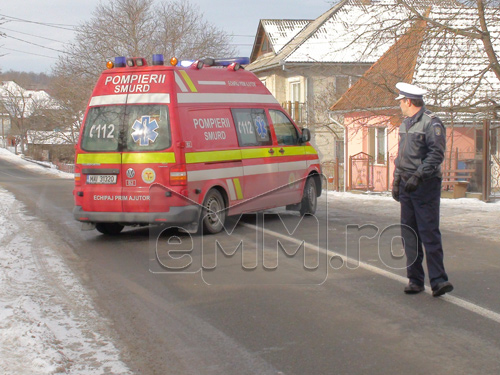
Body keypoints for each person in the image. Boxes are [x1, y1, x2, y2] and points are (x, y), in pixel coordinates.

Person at [392, 82, 454, 297]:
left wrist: (419, 175)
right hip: (407, 184)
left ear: (409, 101)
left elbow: (436, 155)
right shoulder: (405, 124)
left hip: (425, 185)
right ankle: (415, 280)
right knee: (409, 233)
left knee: (428, 232)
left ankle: (438, 280)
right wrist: (397, 180)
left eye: (401, 101)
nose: (400, 105)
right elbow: (401, 157)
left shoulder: (431, 123)